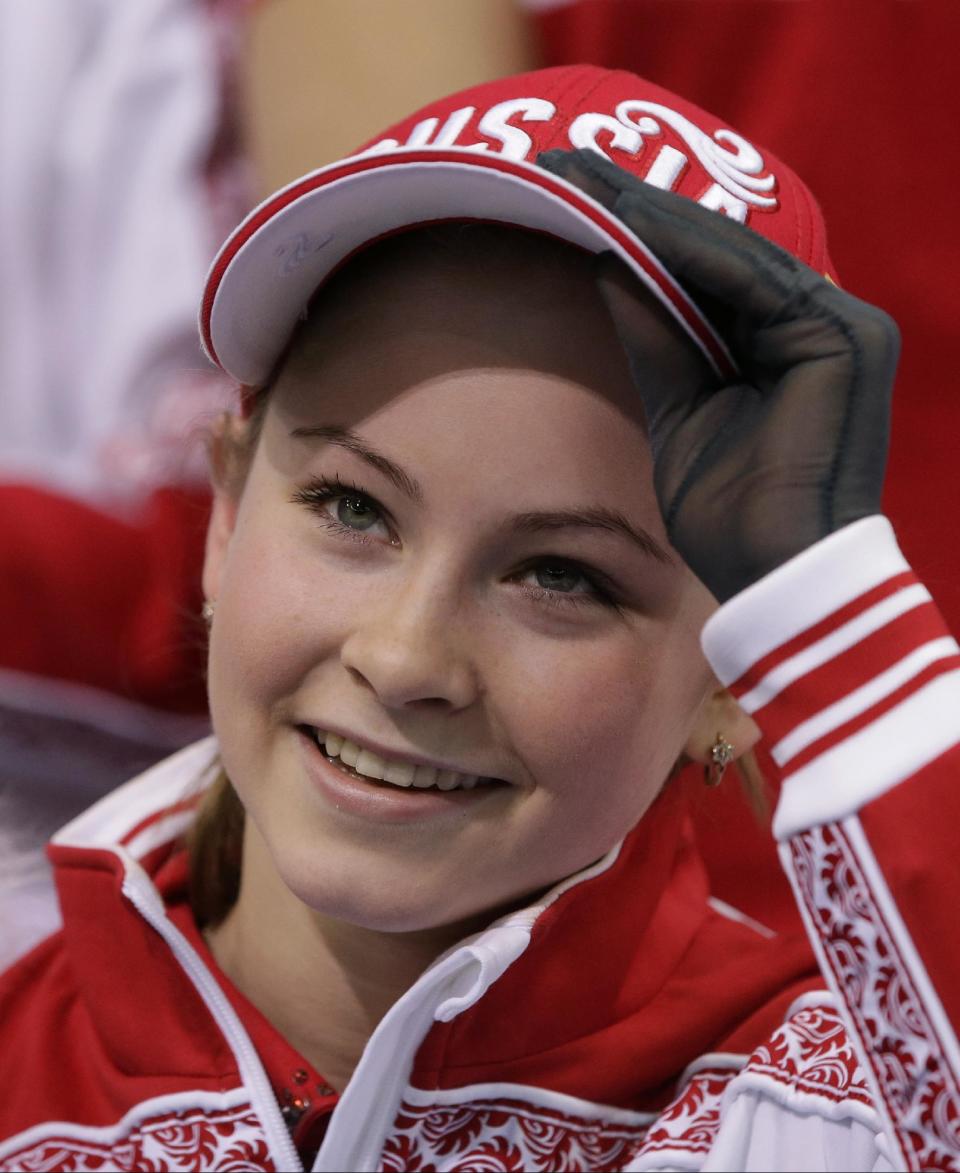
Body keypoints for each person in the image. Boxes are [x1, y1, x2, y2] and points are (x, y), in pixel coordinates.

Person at [0, 65, 957, 1173]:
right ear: (225, 514)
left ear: (735, 683)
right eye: (351, 508)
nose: (407, 658)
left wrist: (831, 610)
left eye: (561, 576)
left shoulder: (823, 1121)